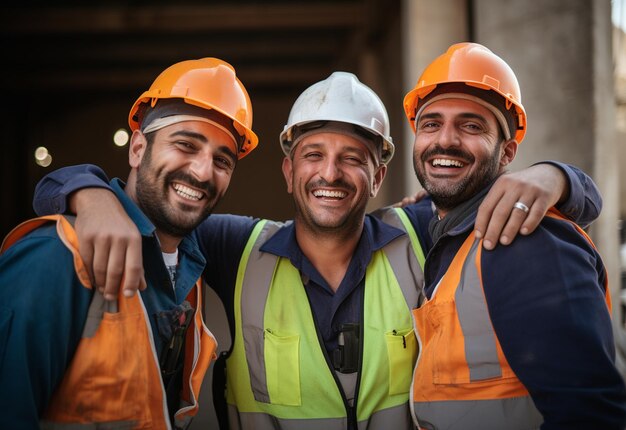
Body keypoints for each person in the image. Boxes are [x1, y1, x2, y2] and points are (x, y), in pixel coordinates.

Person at [31, 72, 601, 429]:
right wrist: (86, 190)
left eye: (353, 157)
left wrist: (561, 177)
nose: (331, 173)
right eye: (313, 154)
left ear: (378, 175)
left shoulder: (420, 234)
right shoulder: (235, 247)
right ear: (287, 169)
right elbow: (160, 204)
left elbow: (485, 194)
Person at [0, 57, 259, 429]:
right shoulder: (57, 257)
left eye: (223, 160)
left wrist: (83, 189)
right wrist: (88, 192)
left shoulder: (190, 266)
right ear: (137, 149)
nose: (203, 172)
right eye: (186, 145)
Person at [402, 42, 626, 429]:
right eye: (431, 124)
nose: (445, 140)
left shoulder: (526, 240)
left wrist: (558, 177)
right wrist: (565, 178)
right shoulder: (446, 234)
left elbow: (592, 414)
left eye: (471, 126)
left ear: (507, 153)